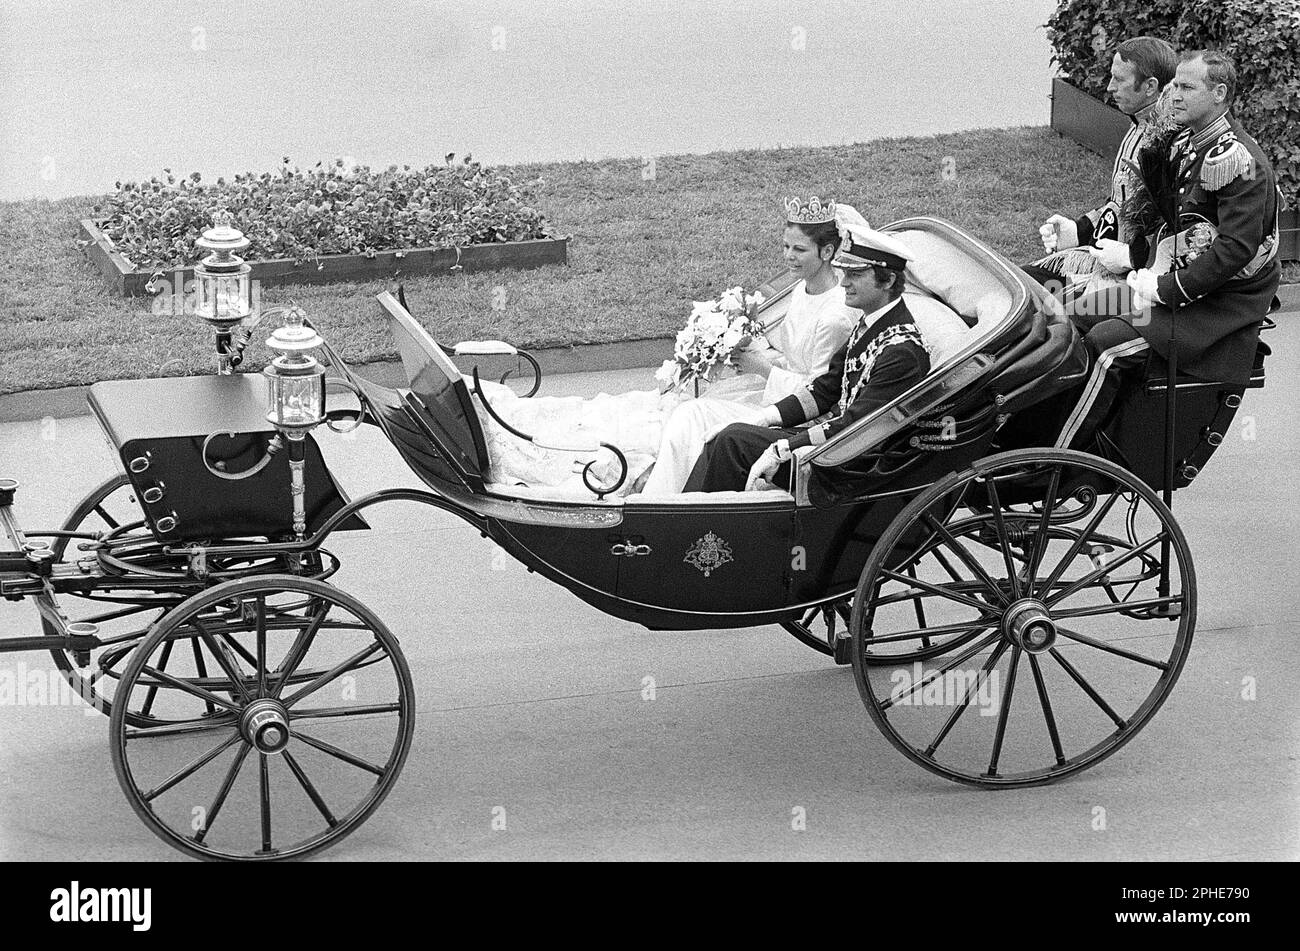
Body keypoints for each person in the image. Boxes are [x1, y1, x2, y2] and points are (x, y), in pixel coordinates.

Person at [1054, 49, 1283, 451]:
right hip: (1170, 284)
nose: (1173, 95)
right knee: (1074, 314)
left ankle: (1066, 451)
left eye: (1187, 87)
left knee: (1107, 345)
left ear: (1219, 94)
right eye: (1174, 84)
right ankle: (1045, 427)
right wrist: (1135, 260)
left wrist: (1167, 289)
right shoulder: (1191, 145)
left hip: (1215, 308)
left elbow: (1234, 251)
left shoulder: (1238, 161)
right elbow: (1172, 226)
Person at [681, 223, 931, 504]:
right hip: (837, 446)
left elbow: (857, 424)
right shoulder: (873, 322)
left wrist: (785, 447)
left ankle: (696, 531)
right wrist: (761, 418)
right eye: (845, 272)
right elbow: (824, 390)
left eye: (856, 274)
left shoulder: (901, 351)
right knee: (731, 436)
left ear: (887, 281)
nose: (845, 282)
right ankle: (685, 522)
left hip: (850, 463)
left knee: (733, 442)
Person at [637, 198, 860, 495]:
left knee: (692, 417)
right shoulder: (801, 288)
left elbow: (821, 392)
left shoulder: (836, 318)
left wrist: (765, 370)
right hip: (776, 389)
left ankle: (662, 500)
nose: (789, 257)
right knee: (688, 412)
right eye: (786, 247)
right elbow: (789, 355)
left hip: (797, 412)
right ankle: (664, 493)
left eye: (799, 249)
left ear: (828, 252)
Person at [1025, 36, 1179, 301]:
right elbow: (1119, 206)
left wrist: (1130, 256)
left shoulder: (1168, 143)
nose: (1109, 87)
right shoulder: (1138, 126)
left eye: (1119, 80)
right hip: (1107, 262)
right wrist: (1077, 231)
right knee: (1018, 284)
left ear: (1150, 87)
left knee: (1036, 307)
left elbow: (1175, 229)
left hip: (1138, 281)